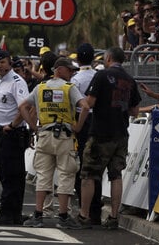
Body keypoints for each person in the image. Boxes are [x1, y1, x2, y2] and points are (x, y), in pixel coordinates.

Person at [68, 46, 141, 231]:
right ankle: (113, 217)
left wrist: (78, 117)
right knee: (116, 175)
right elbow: (134, 110)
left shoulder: (101, 76)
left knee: (89, 175)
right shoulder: (130, 79)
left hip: (100, 132)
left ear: (108, 58)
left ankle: (84, 215)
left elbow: (89, 103)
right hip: (121, 133)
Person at [21, 57, 87, 228]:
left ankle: (38, 215)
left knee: (43, 175)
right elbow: (85, 106)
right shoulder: (69, 88)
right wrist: (78, 126)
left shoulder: (40, 87)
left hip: (44, 134)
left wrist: (33, 127)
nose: (72, 73)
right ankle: (64, 217)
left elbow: (22, 107)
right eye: (69, 70)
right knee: (66, 174)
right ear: (58, 69)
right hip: (64, 136)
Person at [0, 49, 31, 225]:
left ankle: (9, 213)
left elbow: (24, 106)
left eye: (3, 62)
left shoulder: (16, 81)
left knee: (12, 175)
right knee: (6, 174)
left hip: (11, 133)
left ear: (9, 63)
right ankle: (13, 213)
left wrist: (12, 125)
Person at [71, 42, 102, 225]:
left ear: (77, 58)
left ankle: (84, 209)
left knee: (82, 167)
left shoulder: (75, 80)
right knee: (95, 167)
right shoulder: (99, 76)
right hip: (97, 121)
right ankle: (95, 210)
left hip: (81, 122)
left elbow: (75, 103)